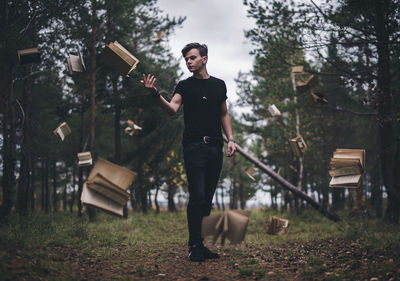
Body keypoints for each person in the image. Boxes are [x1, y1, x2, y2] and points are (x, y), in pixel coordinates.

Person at [141, 42, 236, 262]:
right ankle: (193, 246)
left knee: (208, 198)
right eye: (186, 59)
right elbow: (172, 110)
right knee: (198, 195)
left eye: (192, 57)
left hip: (216, 147)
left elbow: (224, 114)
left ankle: (201, 244)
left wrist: (231, 139)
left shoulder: (219, 85)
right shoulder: (184, 86)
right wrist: (155, 94)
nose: (188, 61)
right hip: (194, 147)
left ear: (204, 59)